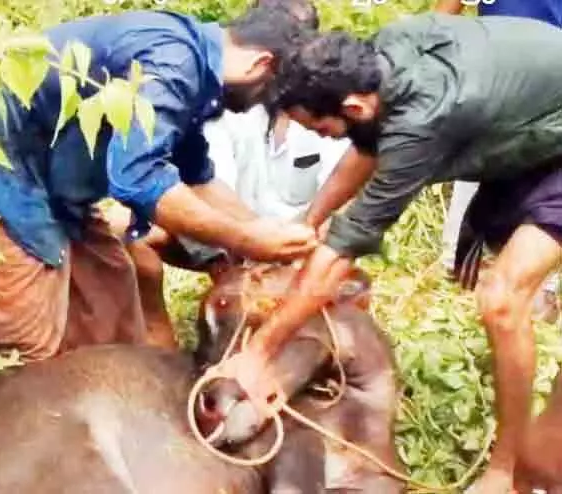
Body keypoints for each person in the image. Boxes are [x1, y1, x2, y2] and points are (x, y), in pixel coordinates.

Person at [204, 13, 562, 493]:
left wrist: (259, 354)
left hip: (544, 133)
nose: (323, 139)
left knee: (501, 299)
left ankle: (507, 470)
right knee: (477, 268)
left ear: (352, 105)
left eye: (323, 130)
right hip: (528, 124)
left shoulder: (424, 120)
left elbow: (343, 251)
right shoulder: (378, 59)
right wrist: (307, 222)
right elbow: (365, 146)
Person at [0, 6, 316, 362]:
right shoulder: (173, 61)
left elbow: (195, 175)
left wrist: (267, 238)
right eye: (269, 93)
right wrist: (243, 239)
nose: (260, 105)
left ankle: (109, 399)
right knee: (26, 335)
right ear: (260, 63)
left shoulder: (192, 64)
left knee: (111, 294)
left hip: (54, 185)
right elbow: (139, 180)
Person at [104, 0, 350, 350]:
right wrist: (245, 243)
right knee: (122, 227)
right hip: (226, 241)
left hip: (292, 250)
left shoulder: (326, 121)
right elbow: (190, 184)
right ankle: (160, 345)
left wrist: (291, 244)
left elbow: (338, 211)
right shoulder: (227, 98)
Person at [435, 0, 562, 324]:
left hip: (551, 99)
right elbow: (444, 16)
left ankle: (535, 292)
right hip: (496, 89)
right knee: (480, 177)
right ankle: (460, 286)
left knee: (543, 199)